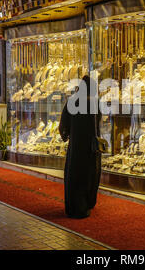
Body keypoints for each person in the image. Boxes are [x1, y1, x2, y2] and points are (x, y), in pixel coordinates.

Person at [59, 75, 102, 219]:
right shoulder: (94, 102)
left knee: (74, 175)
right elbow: (99, 121)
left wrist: (67, 135)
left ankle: (73, 206)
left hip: (76, 145)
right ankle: (87, 204)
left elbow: (64, 123)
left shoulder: (72, 100)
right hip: (90, 147)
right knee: (89, 175)